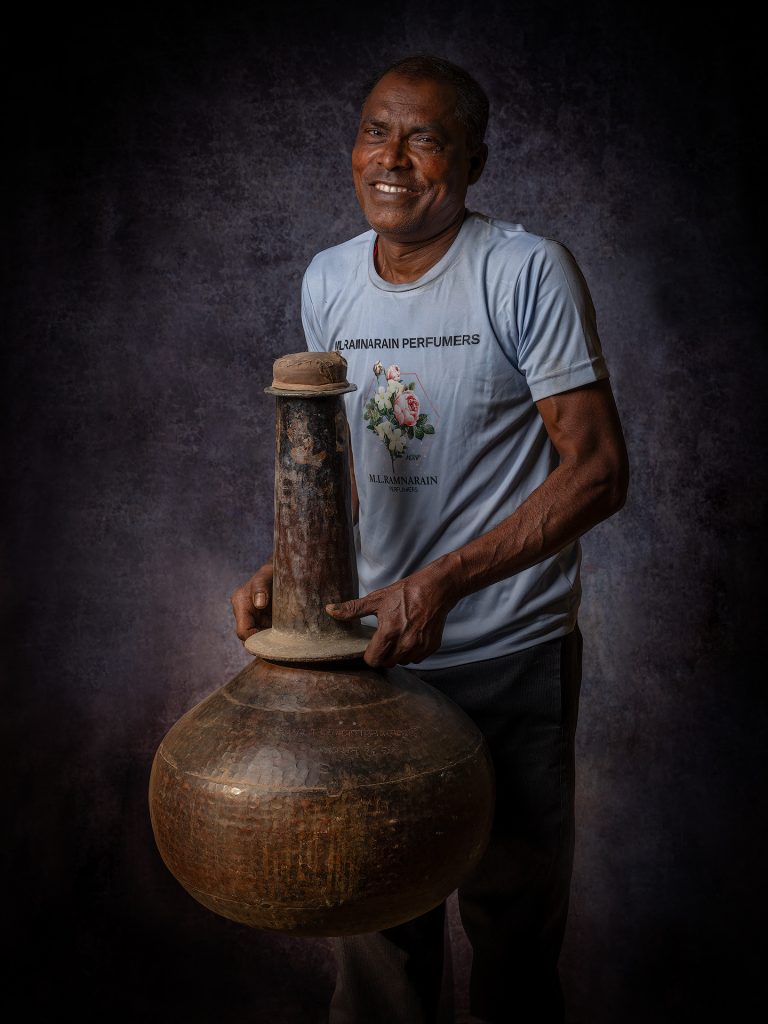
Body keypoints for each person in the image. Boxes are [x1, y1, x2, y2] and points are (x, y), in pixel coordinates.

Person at [232, 54, 629, 1024]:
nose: (394, 158)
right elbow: (352, 479)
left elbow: (598, 470)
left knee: (513, 944)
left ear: (474, 161)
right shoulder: (328, 280)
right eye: (377, 130)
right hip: (367, 661)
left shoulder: (524, 268)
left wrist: (444, 582)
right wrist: (294, 570)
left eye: (426, 136)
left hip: (506, 658)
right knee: (375, 945)